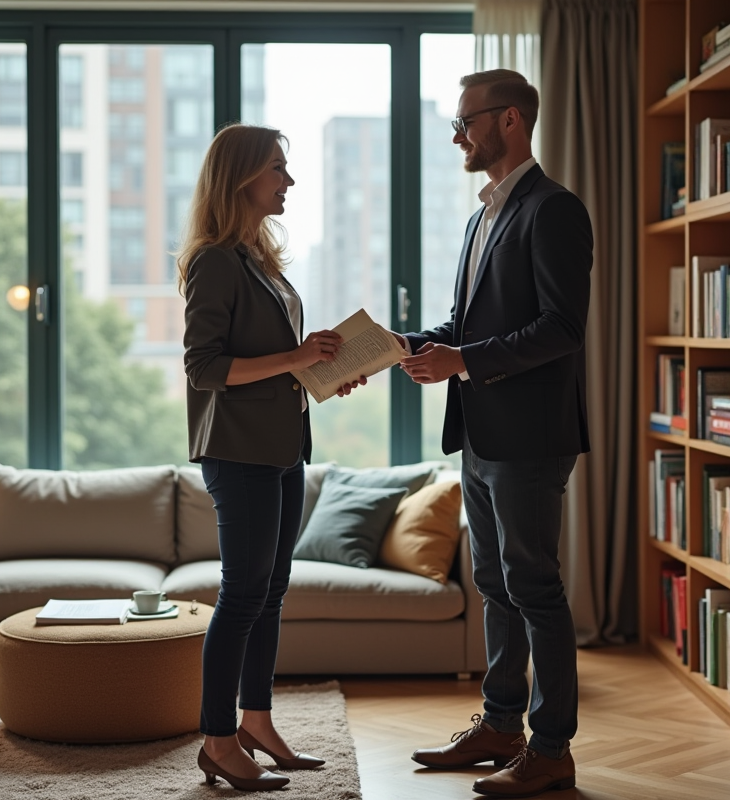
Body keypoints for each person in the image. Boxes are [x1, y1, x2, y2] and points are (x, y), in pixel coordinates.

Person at [398, 69, 593, 798]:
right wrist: (404, 345)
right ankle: (501, 726)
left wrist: (463, 362)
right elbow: (467, 325)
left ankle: (552, 749)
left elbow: (561, 328)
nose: (458, 136)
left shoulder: (555, 210)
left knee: (534, 586)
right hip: (481, 434)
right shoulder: (482, 217)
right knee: (494, 585)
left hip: (531, 438)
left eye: (465, 122)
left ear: (509, 120)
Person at [179, 123, 365, 792]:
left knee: (270, 592)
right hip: (239, 452)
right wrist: (296, 356)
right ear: (241, 178)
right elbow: (204, 367)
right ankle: (217, 740)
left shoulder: (257, 258)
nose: (288, 180)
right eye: (277, 169)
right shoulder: (214, 260)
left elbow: (273, 362)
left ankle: (255, 722)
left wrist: (322, 370)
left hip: (283, 446)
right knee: (242, 594)